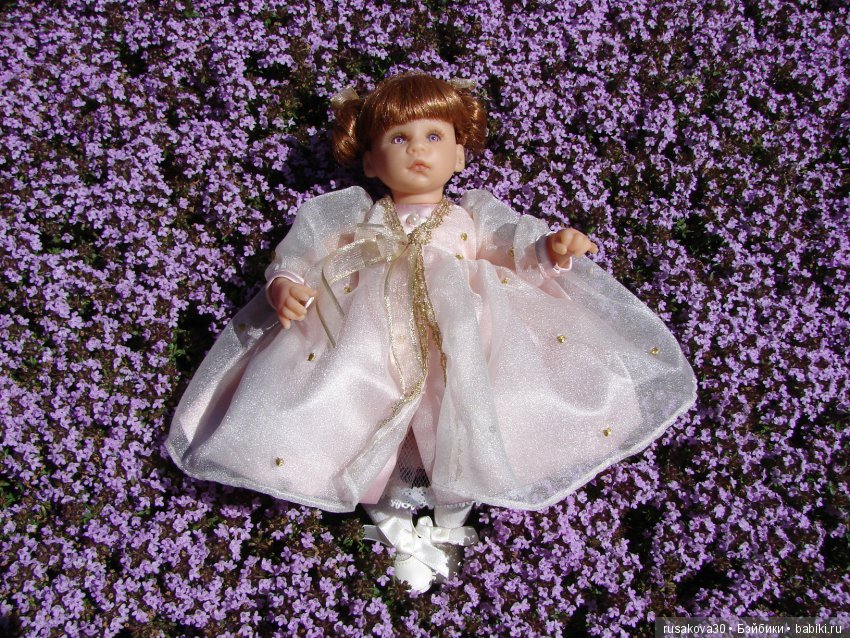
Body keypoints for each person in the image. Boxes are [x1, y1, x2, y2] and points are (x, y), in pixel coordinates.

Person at [167, 73, 697, 592]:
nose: (417, 149)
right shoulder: (355, 216)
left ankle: (449, 521)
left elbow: (509, 248)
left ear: (460, 155)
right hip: (372, 342)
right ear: (370, 162)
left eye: (434, 136)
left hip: (462, 339)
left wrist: (550, 248)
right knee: (366, 418)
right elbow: (304, 251)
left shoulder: (472, 217)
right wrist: (285, 283)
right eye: (398, 138)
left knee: (463, 420)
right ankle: (396, 523)